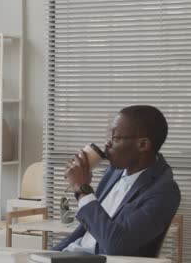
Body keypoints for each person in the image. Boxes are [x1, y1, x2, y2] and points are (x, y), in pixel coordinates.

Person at [53, 105, 181, 257]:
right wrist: (48, 254)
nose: (107, 143)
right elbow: (85, 232)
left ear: (143, 145)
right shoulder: (114, 172)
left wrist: (82, 189)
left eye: (115, 138)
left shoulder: (164, 192)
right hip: (72, 255)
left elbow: (117, 245)